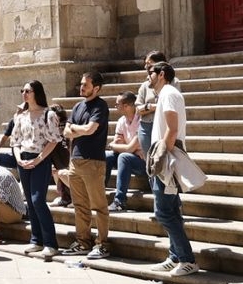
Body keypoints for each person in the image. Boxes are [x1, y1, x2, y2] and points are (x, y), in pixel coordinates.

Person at [147, 61, 199, 277]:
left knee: (164, 212)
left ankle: (187, 259)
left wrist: (161, 157)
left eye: (150, 72)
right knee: (172, 210)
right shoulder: (168, 94)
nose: (148, 76)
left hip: (166, 159)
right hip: (167, 157)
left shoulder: (168, 93)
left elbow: (172, 128)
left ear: (161, 74)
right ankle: (175, 256)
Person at [61, 71, 111, 260]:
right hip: (75, 160)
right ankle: (83, 242)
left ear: (96, 88)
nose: (81, 87)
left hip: (93, 161)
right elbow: (66, 132)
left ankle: (103, 244)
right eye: (81, 84)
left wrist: (75, 129)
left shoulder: (100, 106)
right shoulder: (77, 106)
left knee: (99, 206)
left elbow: (91, 129)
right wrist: (77, 130)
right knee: (80, 205)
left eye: (85, 85)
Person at [11, 81, 63, 261]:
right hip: (23, 158)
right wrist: (18, 158)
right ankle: (36, 239)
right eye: (23, 90)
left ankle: (51, 243)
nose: (24, 94)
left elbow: (54, 140)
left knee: (38, 200)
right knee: (30, 202)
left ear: (36, 93)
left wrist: (39, 159)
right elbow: (15, 141)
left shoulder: (48, 114)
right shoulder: (21, 116)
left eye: (28, 91)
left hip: (41, 158)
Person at [106, 91, 145, 212]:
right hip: (132, 156)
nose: (115, 106)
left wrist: (114, 145)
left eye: (117, 104)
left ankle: (120, 201)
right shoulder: (121, 121)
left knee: (124, 157)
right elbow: (119, 143)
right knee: (106, 156)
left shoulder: (142, 120)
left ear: (126, 106)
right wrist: (127, 148)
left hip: (144, 163)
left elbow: (128, 148)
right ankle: (98, 195)